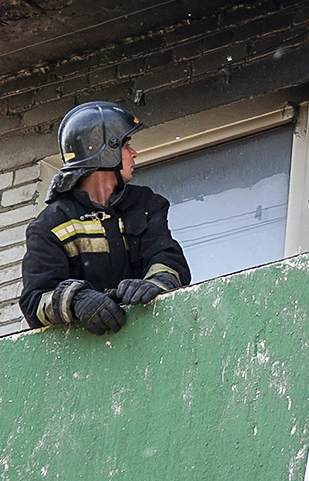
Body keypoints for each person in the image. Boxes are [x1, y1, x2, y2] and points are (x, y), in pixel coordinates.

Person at [20, 101, 192, 334]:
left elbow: (169, 261)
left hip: (150, 335)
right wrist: (77, 300)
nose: (134, 153)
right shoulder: (50, 225)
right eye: (126, 145)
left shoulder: (145, 204)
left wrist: (153, 285)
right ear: (106, 150)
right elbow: (35, 302)